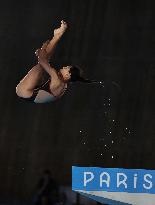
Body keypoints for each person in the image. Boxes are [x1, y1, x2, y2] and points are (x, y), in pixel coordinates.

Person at [16, 20, 90, 104]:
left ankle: (57, 36)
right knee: (44, 62)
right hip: (35, 91)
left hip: (23, 92)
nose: (63, 67)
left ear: (67, 75)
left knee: (41, 64)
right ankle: (57, 36)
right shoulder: (64, 85)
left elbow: (41, 60)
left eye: (66, 68)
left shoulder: (56, 78)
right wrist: (41, 53)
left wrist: (43, 48)